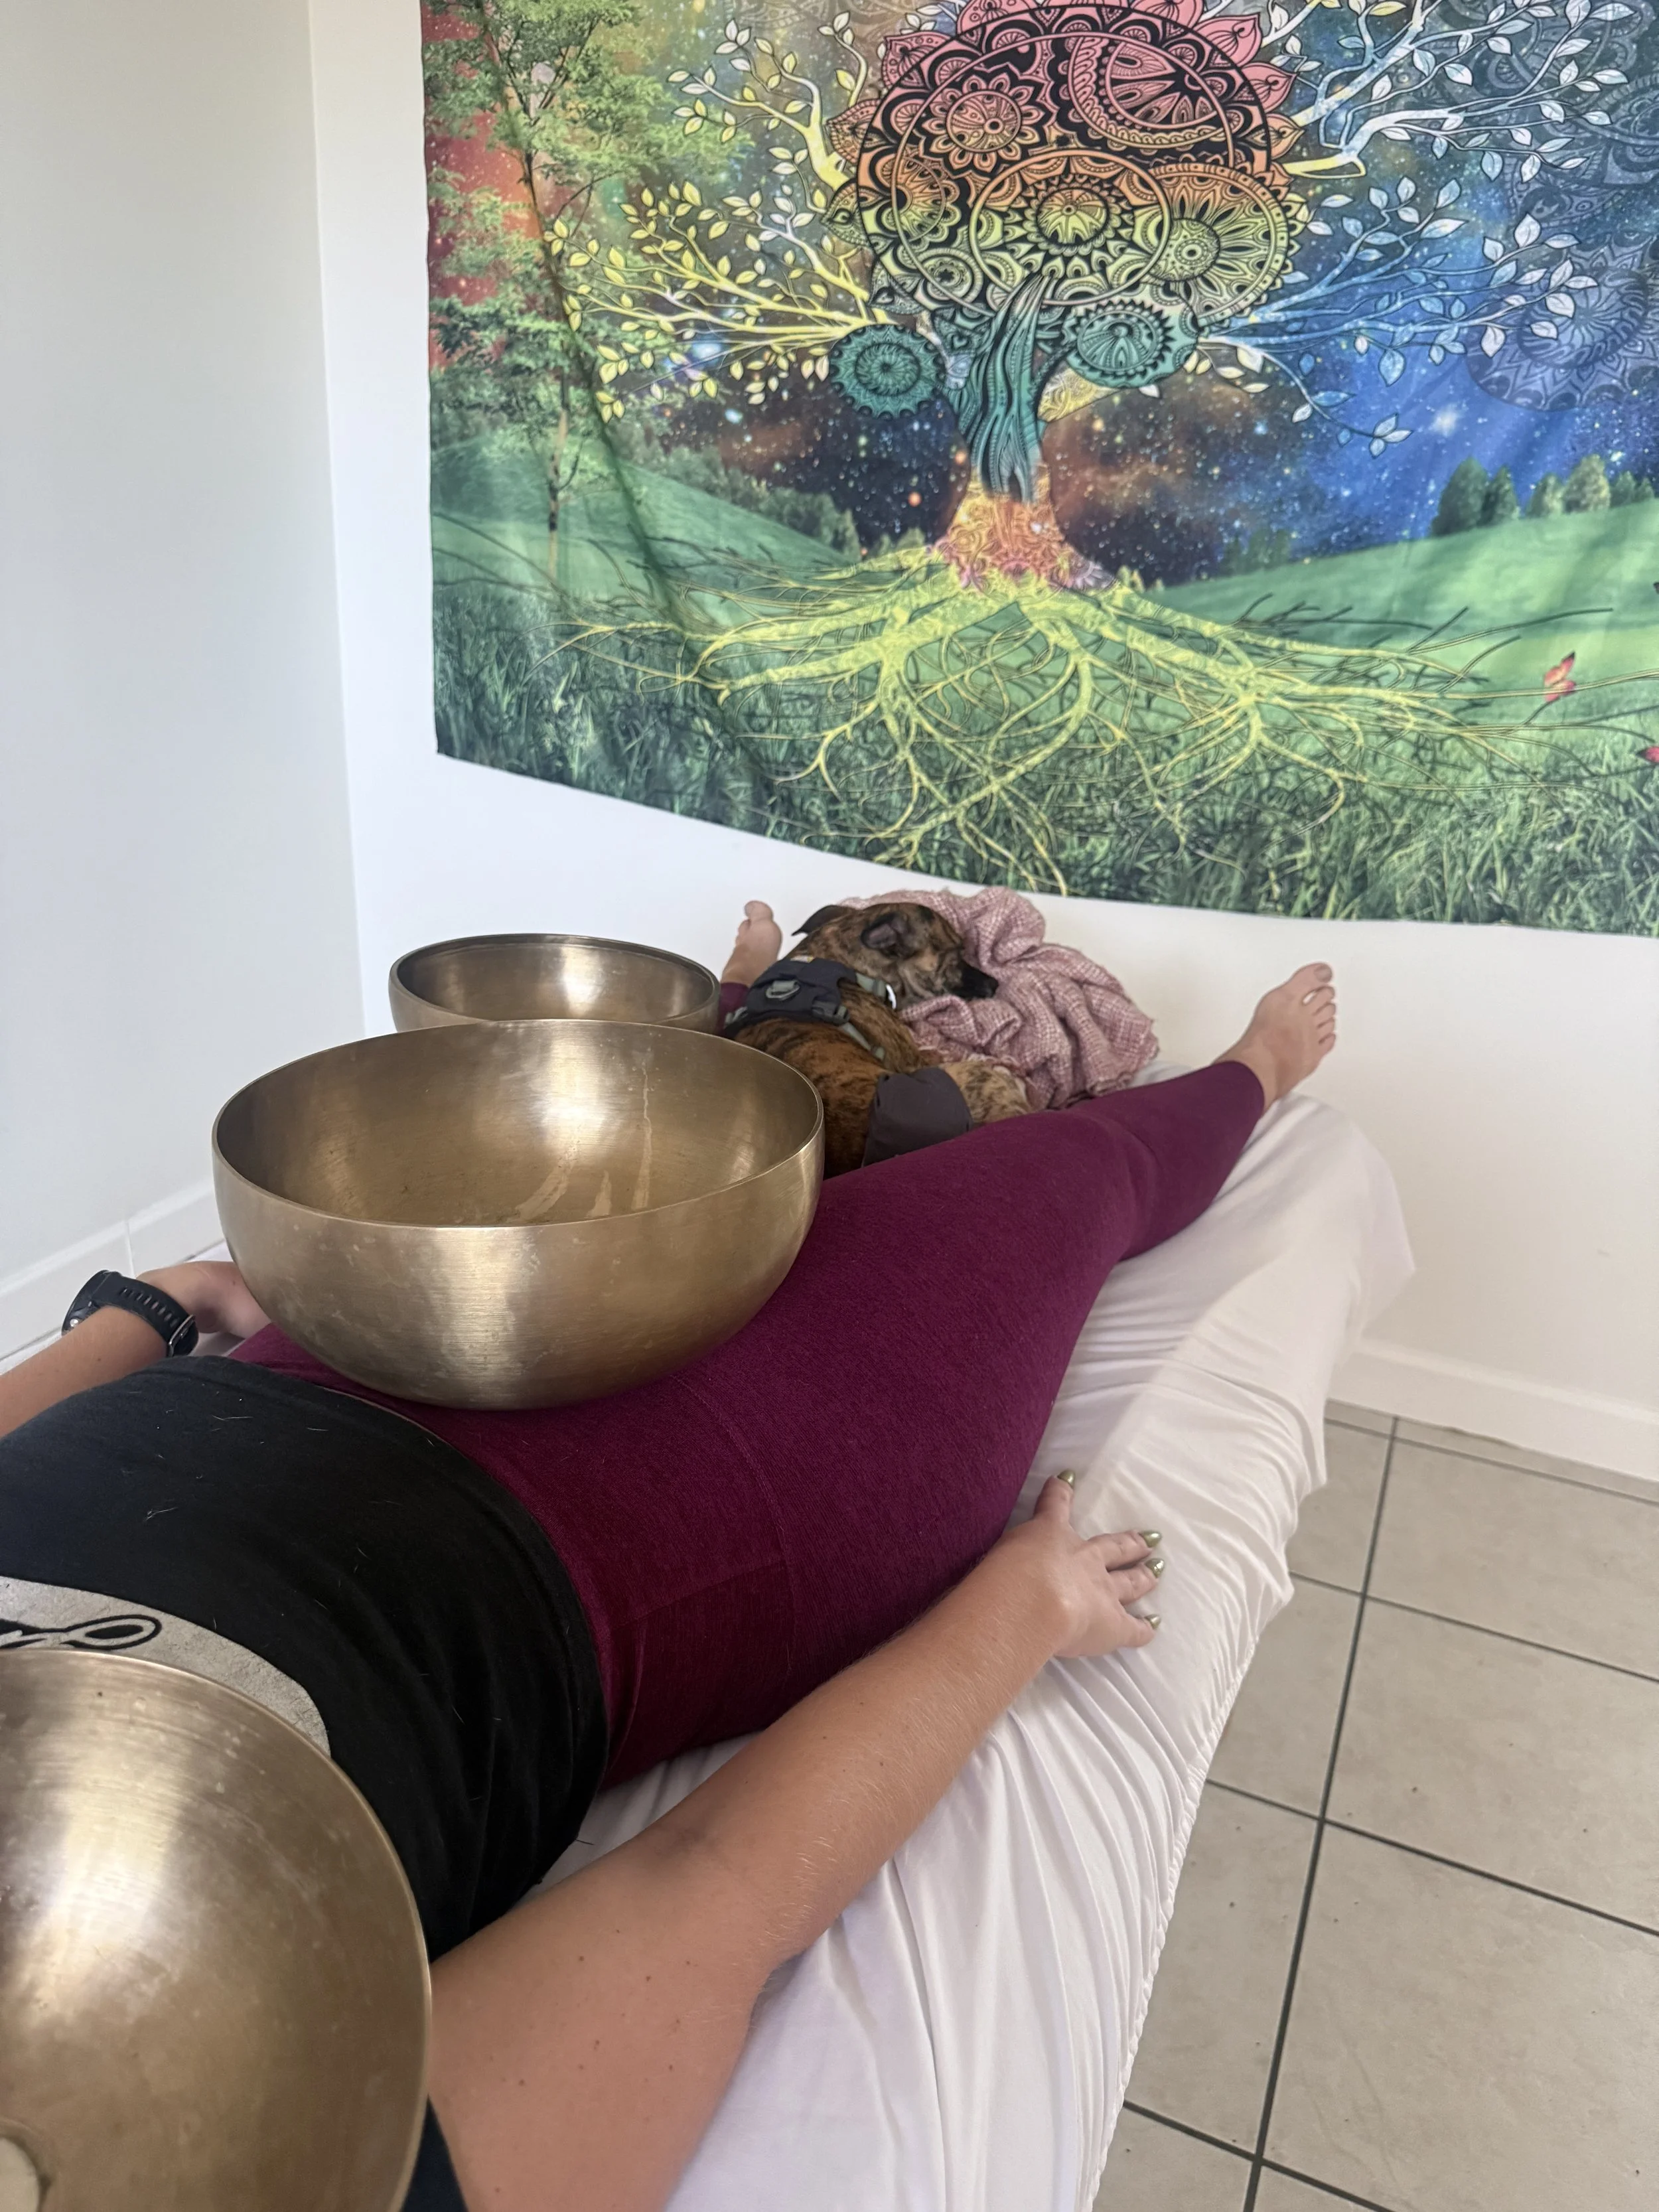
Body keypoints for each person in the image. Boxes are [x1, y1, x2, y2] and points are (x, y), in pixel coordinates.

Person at [0, 923, 1336, 2212]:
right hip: (629, 1530)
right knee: (1062, 1171)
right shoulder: (245, 2157)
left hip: (340, 1340)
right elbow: (705, 1886)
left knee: (641, 1139)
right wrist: (1023, 1607)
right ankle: (1258, 1067)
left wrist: (148, 1311)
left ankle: (744, 1007)